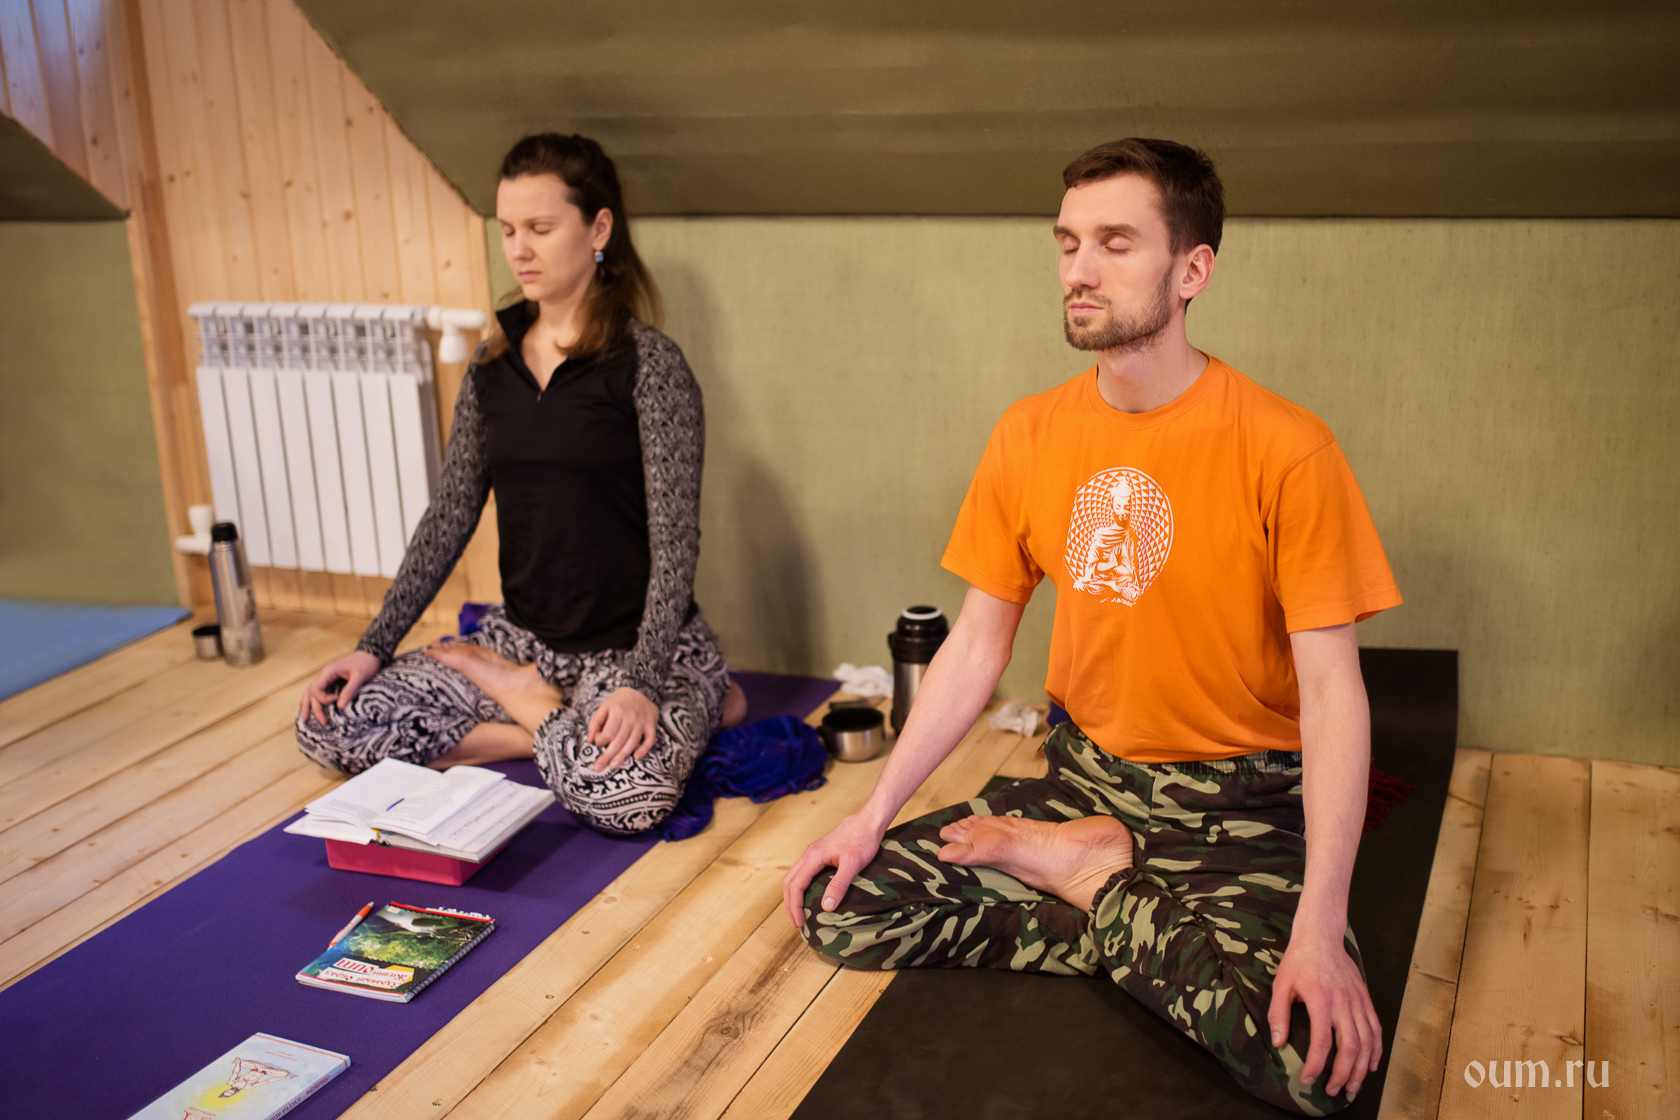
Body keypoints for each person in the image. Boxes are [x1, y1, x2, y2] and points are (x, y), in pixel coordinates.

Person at [782, 138, 1401, 1115]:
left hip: (1237, 807)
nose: (1079, 268)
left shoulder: (1289, 449)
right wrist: (871, 815)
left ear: (1192, 269)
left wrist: (1319, 927)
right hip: (1083, 781)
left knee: (1314, 1067)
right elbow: (977, 644)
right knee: (842, 906)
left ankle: (1090, 883)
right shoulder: (1028, 432)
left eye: (1116, 243)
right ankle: (1127, 912)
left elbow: (1332, 693)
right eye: (1068, 242)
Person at [296, 133, 744, 837]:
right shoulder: (490, 368)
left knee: (628, 794)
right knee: (328, 723)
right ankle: (540, 719)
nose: (519, 250)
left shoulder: (650, 367)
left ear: (598, 229)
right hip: (523, 642)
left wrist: (640, 683)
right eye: (508, 230)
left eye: (540, 227)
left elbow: (675, 542)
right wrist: (372, 646)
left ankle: (562, 704)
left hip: (636, 649)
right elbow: (450, 515)